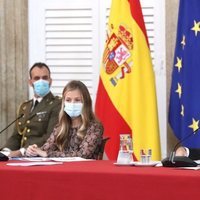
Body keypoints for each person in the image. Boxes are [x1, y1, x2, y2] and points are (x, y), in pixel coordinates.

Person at [25, 80, 103, 159]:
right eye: (68, 100)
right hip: (62, 170)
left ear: (85, 103)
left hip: (85, 170)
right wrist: (33, 150)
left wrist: (47, 153)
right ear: (63, 103)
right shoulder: (60, 126)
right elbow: (45, 150)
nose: (72, 104)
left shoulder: (94, 126)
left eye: (77, 100)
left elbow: (83, 154)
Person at [1, 62, 61, 157]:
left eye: (45, 78)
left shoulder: (57, 104)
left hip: (39, 157)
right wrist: (5, 151)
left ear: (50, 81)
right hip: (20, 159)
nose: (41, 81)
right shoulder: (25, 107)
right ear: (30, 82)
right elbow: (16, 136)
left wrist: (22, 151)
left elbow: (50, 136)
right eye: (37, 78)